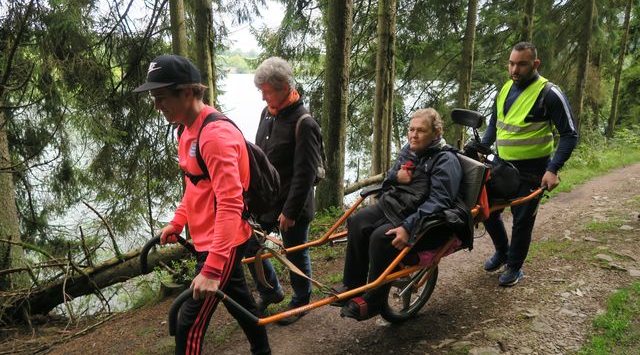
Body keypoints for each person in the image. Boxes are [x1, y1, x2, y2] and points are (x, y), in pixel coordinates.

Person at [133, 54, 270, 355]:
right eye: (154, 99)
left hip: (225, 240)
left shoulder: (215, 136)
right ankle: (263, 351)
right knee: (240, 301)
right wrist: (178, 221)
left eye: (161, 98)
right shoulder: (185, 129)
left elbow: (231, 204)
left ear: (187, 91)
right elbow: (195, 187)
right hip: (208, 237)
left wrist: (211, 268)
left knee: (188, 325)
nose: (157, 107)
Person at [335, 108, 468, 321]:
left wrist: (409, 227)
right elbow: (389, 177)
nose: (413, 135)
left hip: (419, 217)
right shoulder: (410, 149)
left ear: (436, 133)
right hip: (393, 205)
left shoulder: (445, 160)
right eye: (411, 129)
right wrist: (396, 176)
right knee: (357, 221)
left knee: (381, 238)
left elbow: (440, 201)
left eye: (421, 131)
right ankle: (352, 285)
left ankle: (372, 302)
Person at [480, 42, 578, 286]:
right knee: (486, 209)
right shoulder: (504, 89)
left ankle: (514, 267)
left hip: (532, 171)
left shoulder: (550, 93)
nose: (515, 69)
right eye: (512, 63)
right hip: (501, 167)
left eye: (521, 64)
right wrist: (482, 149)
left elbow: (569, 134)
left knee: (522, 220)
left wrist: (553, 169)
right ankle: (503, 251)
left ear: (535, 64)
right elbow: (495, 123)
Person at [243, 57, 323, 325]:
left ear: (286, 86)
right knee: (249, 244)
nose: (264, 97)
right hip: (266, 200)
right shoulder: (267, 112)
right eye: (261, 91)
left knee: (296, 252)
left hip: (293, 204)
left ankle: (301, 301)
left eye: (268, 91)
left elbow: (305, 174)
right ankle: (271, 291)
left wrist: (289, 212)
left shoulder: (304, 123)